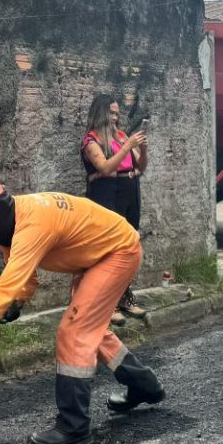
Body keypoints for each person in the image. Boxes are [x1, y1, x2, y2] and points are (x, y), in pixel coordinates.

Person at [0, 178, 165, 444]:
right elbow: (22, 279)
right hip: (96, 256)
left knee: (74, 332)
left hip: (117, 252)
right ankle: (144, 386)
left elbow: (3, 289)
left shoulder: (33, 223)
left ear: (1, 206)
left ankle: (73, 425)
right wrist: (16, 304)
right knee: (92, 330)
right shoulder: (8, 228)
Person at [81, 95, 148, 320]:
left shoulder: (121, 135)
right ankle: (107, 304)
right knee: (108, 249)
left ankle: (124, 297)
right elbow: (106, 168)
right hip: (107, 193)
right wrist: (127, 146)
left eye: (117, 113)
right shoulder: (91, 141)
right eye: (111, 112)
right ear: (100, 113)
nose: (115, 117)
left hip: (129, 189)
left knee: (129, 245)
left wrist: (142, 149)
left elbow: (141, 166)